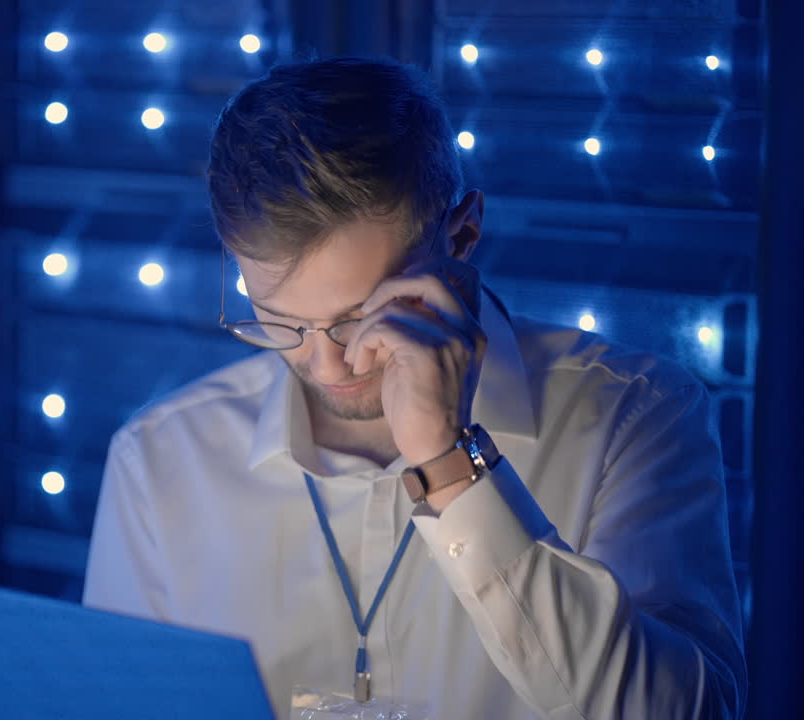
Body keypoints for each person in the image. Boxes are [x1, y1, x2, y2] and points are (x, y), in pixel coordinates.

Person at [82, 56, 746, 719]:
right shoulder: (160, 457)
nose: (327, 367)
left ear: (462, 236)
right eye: (280, 323)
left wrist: (451, 466)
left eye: (360, 318)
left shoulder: (634, 414)